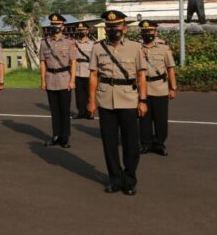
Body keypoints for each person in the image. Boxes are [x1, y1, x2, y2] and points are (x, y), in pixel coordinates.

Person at [88, 10, 148, 196]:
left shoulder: (136, 47)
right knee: (110, 143)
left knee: (131, 144)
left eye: (116, 25)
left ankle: (129, 180)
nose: (113, 29)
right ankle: (114, 178)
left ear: (124, 28)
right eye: (109, 26)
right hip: (106, 100)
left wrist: (143, 100)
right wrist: (91, 101)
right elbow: (93, 75)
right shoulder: (98, 48)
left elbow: (141, 76)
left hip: (129, 99)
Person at [138, 20, 177, 156]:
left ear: (155, 32)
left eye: (150, 31)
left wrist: (173, 88)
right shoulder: (137, 48)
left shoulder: (163, 48)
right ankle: (146, 144)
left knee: (160, 118)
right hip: (143, 88)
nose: (147, 33)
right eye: (144, 31)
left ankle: (159, 143)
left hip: (160, 87)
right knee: (144, 118)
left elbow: (170, 69)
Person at [39, 14, 77, 148]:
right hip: (50, 79)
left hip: (64, 79)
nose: (55, 27)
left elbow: (73, 63)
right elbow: (43, 63)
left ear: (62, 26)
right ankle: (55, 136)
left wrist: (72, 80)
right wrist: (43, 81)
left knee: (64, 111)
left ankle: (65, 137)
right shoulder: (44, 43)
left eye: (57, 25)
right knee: (54, 111)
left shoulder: (69, 42)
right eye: (53, 25)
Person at [72, 22, 95, 120]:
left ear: (87, 31)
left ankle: (89, 112)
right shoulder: (73, 43)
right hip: (77, 71)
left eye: (83, 30)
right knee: (79, 94)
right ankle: (80, 112)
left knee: (89, 93)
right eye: (79, 30)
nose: (81, 31)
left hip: (88, 71)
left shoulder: (93, 43)